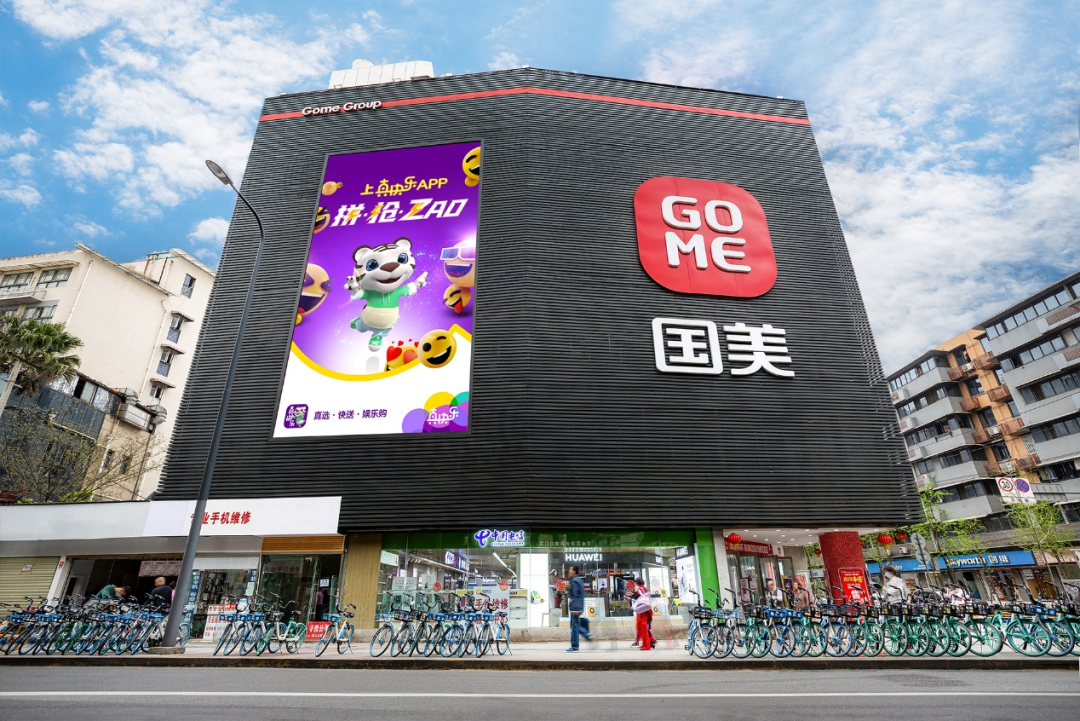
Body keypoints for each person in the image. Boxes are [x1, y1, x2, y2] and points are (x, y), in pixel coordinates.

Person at [566, 565, 591, 652]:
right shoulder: (579, 580)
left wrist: (575, 608)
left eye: (570, 570)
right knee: (575, 625)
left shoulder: (574, 581)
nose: (569, 571)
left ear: (574, 571)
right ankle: (586, 634)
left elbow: (575, 594)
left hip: (575, 607)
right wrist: (580, 607)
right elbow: (581, 595)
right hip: (578, 606)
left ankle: (575, 646)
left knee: (574, 627)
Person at [632, 586, 653, 650]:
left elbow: (645, 604)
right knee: (641, 629)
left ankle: (647, 645)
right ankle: (648, 642)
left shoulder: (642, 594)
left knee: (643, 629)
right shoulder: (642, 593)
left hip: (643, 615)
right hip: (641, 614)